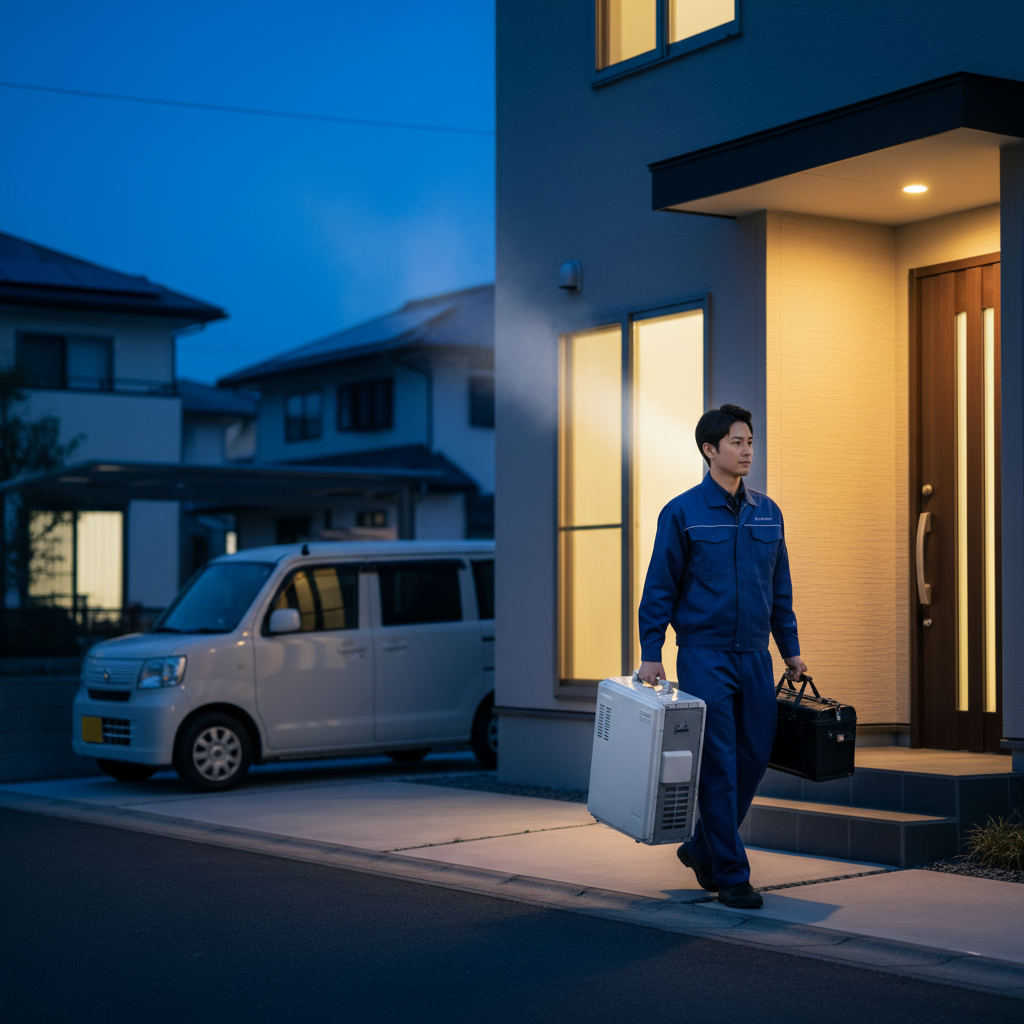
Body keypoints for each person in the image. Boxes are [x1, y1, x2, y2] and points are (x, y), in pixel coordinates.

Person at [637, 403, 806, 910]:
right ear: (710, 450)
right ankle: (732, 875)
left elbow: (780, 589)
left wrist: (791, 650)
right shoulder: (683, 512)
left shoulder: (768, 512)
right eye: (736, 441)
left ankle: (700, 848)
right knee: (719, 763)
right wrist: (651, 652)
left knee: (753, 758)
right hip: (704, 656)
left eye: (750, 440)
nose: (747, 449)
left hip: (755, 655)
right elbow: (659, 588)